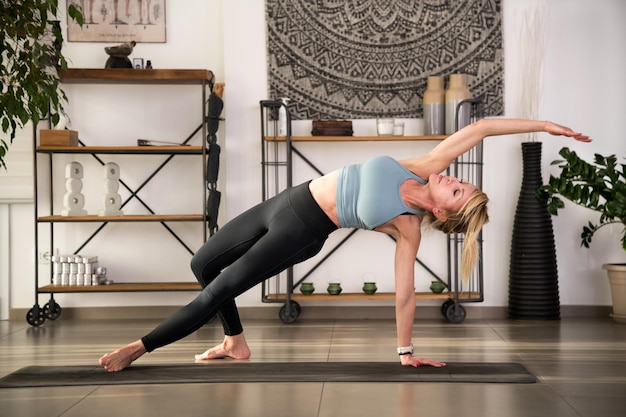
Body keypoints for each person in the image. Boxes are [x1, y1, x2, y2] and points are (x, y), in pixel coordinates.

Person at [99, 118, 590, 372]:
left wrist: (405, 351)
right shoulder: (422, 166)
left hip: (302, 232)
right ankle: (235, 342)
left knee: (217, 288)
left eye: (456, 191)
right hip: (285, 201)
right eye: (459, 182)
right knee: (203, 262)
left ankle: (140, 347)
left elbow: (403, 293)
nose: (454, 179)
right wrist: (545, 126)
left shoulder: (408, 227)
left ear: (443, 211)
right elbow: (480, 129)